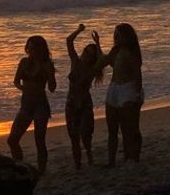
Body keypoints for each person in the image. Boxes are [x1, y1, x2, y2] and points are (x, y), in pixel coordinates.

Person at [8, 35, 57, 173]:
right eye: (28, 47)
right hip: (26, 104)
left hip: (40, 104)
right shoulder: (24, 62)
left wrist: (50, 74)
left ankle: (41, 171)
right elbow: (16, 81)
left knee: (39, 141)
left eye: (33, 47)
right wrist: (22, 88)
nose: (30, 50)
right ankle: (20, 166)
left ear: (41, 49)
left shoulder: (46, 64)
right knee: (12, 140)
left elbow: (52, 88)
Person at [100, 23, 144, 165]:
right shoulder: (116, 50)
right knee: (112, 127)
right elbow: (107, 62)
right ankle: (111, 160)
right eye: (115, 35)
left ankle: (133, 157)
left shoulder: (131, 52)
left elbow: (137, 73)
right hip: (114, 87)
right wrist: (98, 44)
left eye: (119, 35)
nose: (116, 37)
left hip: (128, 88)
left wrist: (137, 93)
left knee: (130, 127)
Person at [64, 23, 105, 169]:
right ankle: (78, 163)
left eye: (89, 54)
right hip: (71, 102)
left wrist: (98, 44)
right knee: (73, 136)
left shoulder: (93, 69)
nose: (86, 55)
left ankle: (89, 156)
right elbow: (69, 41)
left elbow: (102, 61)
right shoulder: (75, 62)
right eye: (86, 52)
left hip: (84, 103)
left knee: (85, 134)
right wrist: (79, 30)